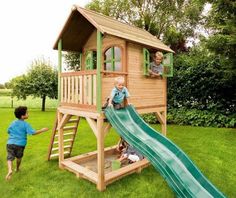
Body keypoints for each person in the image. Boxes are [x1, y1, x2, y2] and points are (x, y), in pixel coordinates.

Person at [5, 106, 49, 180]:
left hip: (10, 143)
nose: (28, 114)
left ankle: (10, 170)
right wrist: (42, 130)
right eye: (27, 113)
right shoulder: (25, 124)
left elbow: (8, 131)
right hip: (20, 144)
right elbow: (33, 133)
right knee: (19, 157)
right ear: (22, 116)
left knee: (10, 157)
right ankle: (17, 168)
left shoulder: (12, 123)